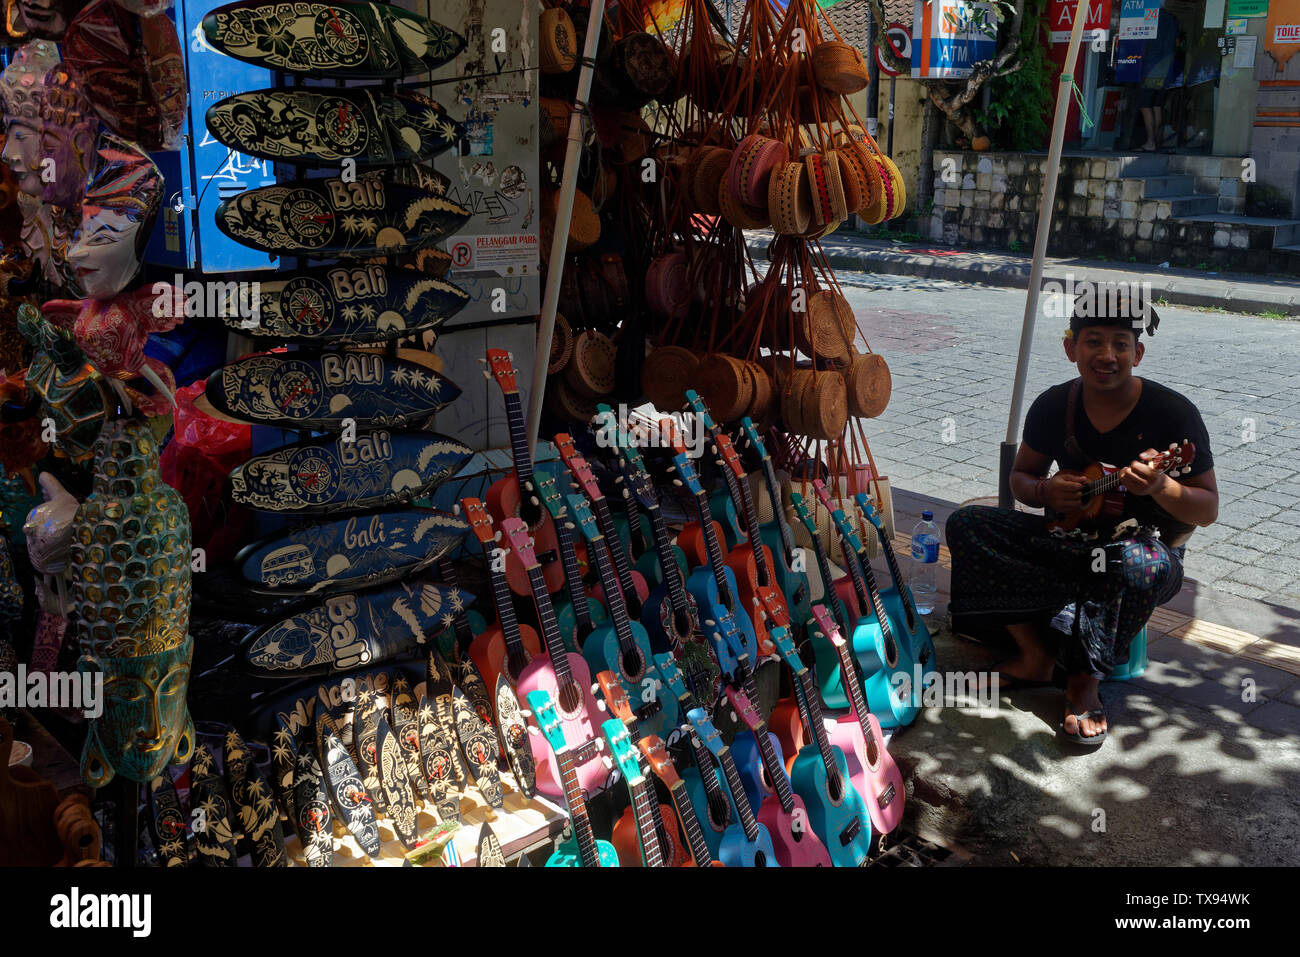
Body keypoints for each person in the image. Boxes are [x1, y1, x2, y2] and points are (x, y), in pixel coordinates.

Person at [946, 288, 1218, 748]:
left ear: (1139, 352)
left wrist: (1160, 486)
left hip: (1138, 557)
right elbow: (1022, 477)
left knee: (1131, 562)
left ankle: (1082, 681)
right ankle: (1034, 656)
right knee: (968, 525)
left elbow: (1208, 508)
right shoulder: (1054, 405)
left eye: (1120, 343)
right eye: (1093, 341)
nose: (1106, 355)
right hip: (1065, 543)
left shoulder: (1173, 414)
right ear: (1072, 348)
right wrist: (1044, 490)